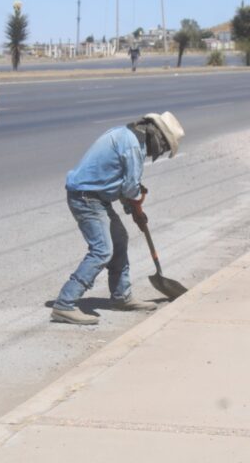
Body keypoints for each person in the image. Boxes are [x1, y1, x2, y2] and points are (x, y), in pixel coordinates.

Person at [52, 112, 185, 325]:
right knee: (102, 250)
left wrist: (133, 209)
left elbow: (122, 184)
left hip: (95, 197)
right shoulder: (133, 146)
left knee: (119, 240)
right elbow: (130, 188)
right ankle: (65, 304)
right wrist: (136, 204)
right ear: (158, 136)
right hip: (86, 198)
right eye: (164, 147)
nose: (159, 152)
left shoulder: (126, 135)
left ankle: (121, 297)